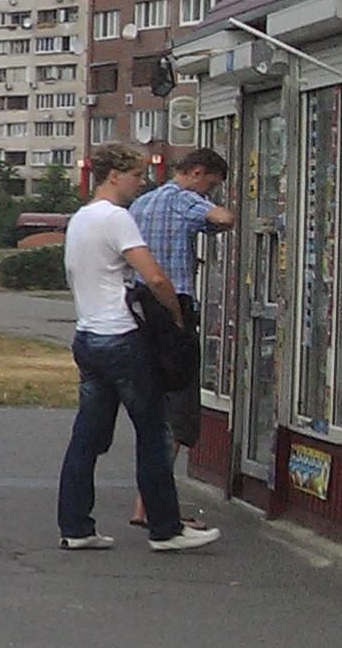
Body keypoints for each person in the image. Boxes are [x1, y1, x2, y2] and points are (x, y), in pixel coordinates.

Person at [59, 147, 219, 552]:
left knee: (87, 436)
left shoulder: (80, 219)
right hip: (122, 337)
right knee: (152, 432)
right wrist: (176, 317)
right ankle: (165, 528)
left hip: (88, 334)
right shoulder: (116, 218)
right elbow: (156, 276)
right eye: (136, 175)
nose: (141, 183)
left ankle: (75, 525)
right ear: (114, 175)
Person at [127, 147, 233, 527]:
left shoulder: (142, 203)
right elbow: (222, 218)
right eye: (210, 185)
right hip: (174, 308)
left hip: (139, 309)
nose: (209, 194)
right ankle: (156, 508)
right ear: (197, 173)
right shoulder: (184, 199)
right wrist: (219, 216)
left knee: (154, 410)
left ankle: (143, 505)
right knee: (180, 413)